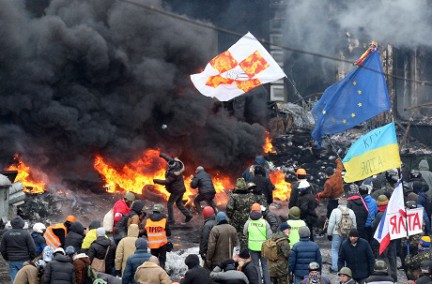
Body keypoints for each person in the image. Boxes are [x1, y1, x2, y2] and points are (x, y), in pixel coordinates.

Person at [153, 152, 193, 224]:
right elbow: (168, 159)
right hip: (181, 189)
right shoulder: (176, 164)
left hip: (176, 191)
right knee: (179, 203)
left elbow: (167, 182)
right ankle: (188, 215)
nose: (169, 167)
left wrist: (156, 181)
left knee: (169, 204)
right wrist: (162, 154)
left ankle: (171, 220)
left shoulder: (173, 173)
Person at [0, 215, 36, 283]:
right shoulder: (26, 234)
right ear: (22, 224)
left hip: (12, 260)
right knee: (25, 279)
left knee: (15, 280)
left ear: (11, 224)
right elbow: (32, 248)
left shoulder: (6, 234)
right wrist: (31, 258)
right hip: (25, 260)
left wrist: (7, 258)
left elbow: (2, 249)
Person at [243, 203, 272, 284]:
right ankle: (267, 282)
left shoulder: (249, 222)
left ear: (251, 211)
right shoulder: (264, 222)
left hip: (252, 247)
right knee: (265, 266)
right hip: (263, 248)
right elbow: (269, 236)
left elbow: (244, 232)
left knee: (256, 266)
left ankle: (258, 282)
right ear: (260, 211)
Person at [327, 195, 356, 273]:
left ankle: (335, 267)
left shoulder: (335, 211)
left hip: (336, 233)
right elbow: (354, 225)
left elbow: (331, 224)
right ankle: (346, 268)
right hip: (348, 234)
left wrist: (329, 234)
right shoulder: (351, 211)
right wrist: (353, 236)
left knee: (335, 250)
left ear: (339, 202)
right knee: (346, 250)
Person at [226, 177, 257, 251]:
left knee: (232, 235)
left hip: (236, 220)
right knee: (245, 236)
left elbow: (229, 208)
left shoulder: (234, 196)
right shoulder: (251, 196)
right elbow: (254, 207)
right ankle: (244, 253)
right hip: (247, 219)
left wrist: (230, 217)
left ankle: (231, 251)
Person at [144, 203, 171, 270]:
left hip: (152, 245)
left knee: (153, 262)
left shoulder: (148, 220)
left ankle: (153, 274)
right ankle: (162, 274)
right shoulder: (164, 219)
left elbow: (146, 232)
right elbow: (168, 233)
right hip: (162, 245)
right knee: (162, 261)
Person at [199, 206, 217, 270]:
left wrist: (202, 252)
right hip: (217, 251)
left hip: (209, 253)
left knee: (206, 269)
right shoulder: (216, 222)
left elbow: (205, 239)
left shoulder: (207, 225)